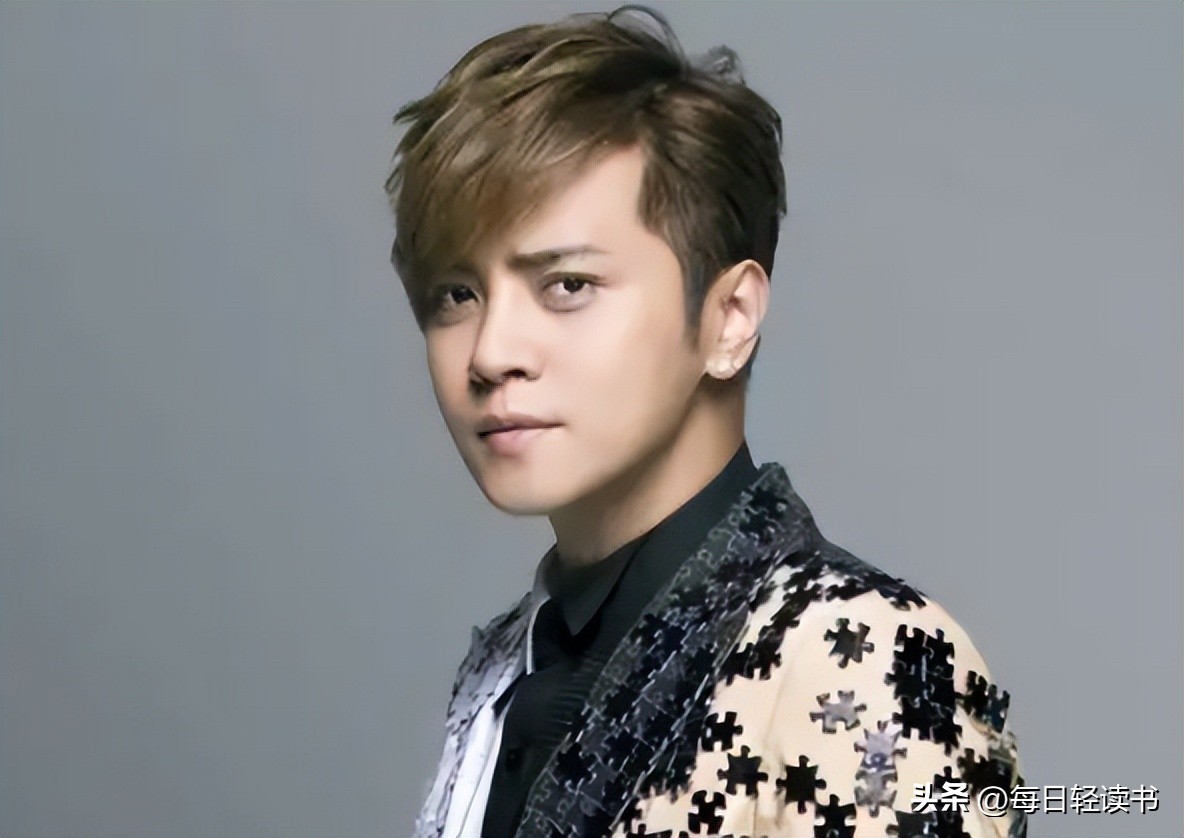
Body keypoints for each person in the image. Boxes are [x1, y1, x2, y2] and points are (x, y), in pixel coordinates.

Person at [384, 6, 1025, 837]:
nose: (491, 352)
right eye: (456, 295)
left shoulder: (866, 657)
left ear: (729, 318)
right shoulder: (506, 670)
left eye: (568, 285)